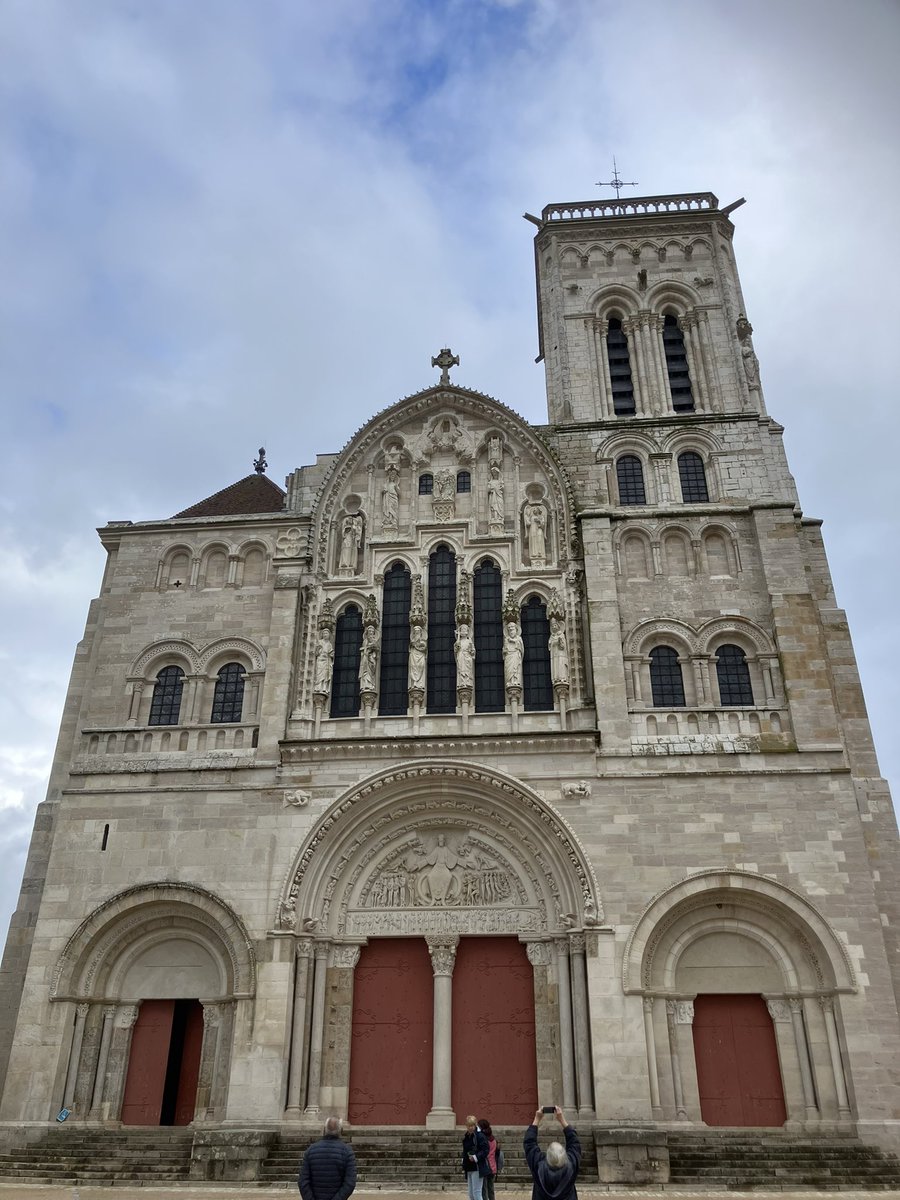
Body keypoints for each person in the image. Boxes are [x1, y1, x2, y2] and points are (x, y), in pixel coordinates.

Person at [524, 1106, 581, 1200]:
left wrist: (537, 1119)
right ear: (564, 1155)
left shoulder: (538, 1166)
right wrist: (562, 1119)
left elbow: (529, 1144)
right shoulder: (572, 1165)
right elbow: (574, 1142)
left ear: (547, 1156)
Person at [298, 1115, 357, 1200]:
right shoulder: (347, 1152)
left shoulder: (311, 1150)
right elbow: (350, 1183)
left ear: (324, 1129)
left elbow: (303, 1181)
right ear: (340, 1130)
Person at [462, 1114, 489, 1200]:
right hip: (469, 1166)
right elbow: (465, 1150)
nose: (471, 1128)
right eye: (469, 1126)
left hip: (477, 1167)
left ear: (475, 1125)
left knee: (477, 1193)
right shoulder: (467, 1136)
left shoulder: (480, 1136)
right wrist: (463, 1159)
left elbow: (485, 1150)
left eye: (472, 1125)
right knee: (471, 1194)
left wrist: (475, 1157)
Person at [480, 1119, 500, 1200]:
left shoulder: (483, 1140)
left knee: (484, 1190)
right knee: (491, 1189)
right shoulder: (494, 1140)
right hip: (493, 1166)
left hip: (485, 1166)